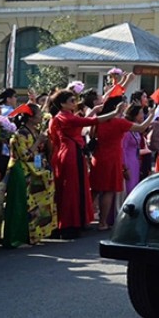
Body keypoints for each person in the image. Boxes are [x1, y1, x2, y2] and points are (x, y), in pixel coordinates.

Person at [47, 89, 126, 239]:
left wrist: (96, 111)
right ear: (62, 104)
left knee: (77, 188)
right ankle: (68, 224)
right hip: (70, 154)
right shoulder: (64, 117)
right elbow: (89, 122)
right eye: (71, 101)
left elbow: (81, 123)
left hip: (72, 153)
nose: (74, 103)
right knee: (71, 190)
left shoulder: (66, 116)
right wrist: (114, 112)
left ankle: (75, 222)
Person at [90, 96, 155, 230]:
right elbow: (142, 127)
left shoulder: (99, 121)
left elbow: (92, 136)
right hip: (113, 158)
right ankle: (102, 222)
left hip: (98, 156)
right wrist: (152, 115)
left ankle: (85, 219)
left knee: (95, 190)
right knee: (108, 190)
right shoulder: (119, 122)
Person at [3, 103, 57, 247]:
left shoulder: (34, 131)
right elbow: (24, 155)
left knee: (34, 206)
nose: (41, 116)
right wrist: (38, 141)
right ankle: (16, 238)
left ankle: (31, 236)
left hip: (34, 170)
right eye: (38, 114)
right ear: (31, 118)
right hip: (21, 171)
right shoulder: (20, 134)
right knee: (20, 205)